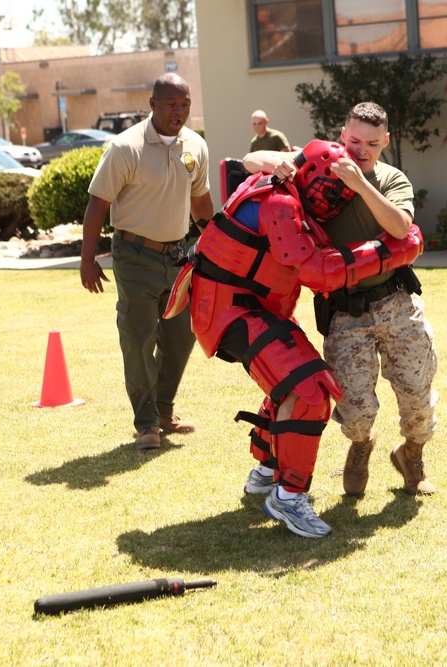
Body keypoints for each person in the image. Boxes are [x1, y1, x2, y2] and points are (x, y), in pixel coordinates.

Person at [163, 139, 424, 537]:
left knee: (289, 383)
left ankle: (268, 469)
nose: (333, 199)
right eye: (330, 190)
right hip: (232, 308)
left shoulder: (288, 185)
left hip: (244, 305)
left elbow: (256, 161)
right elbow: (318, 272)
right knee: (309, 390)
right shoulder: (281, 202)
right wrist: (393, 251)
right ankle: (288, 496)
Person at [243, 102, 438, 496]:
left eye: (370, 143)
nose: (360, 150)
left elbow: (401, 227)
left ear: (386, 141)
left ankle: (411, 455)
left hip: (396, 302)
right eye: (353, 141)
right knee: (355, 408)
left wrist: (361, 185)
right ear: (341, 134)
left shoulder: (391, 179)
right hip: (346, 310)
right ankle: (361, 448)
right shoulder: (319, 168)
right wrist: (277, 164)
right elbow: (250, 158)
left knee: (417, 397)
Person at [79, 73, 215, 450]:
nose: (179, 111)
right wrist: (88, 259)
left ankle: (165, 409)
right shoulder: (126, 148)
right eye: (172, 104)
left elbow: (201, 200)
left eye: (185, 105)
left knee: (182, 333)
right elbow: (98, 205)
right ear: (152, 103)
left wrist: (218, 239)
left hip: (179, 253)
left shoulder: (196, 146)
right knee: (139, 338)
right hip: (134, 254)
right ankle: (147, 424)